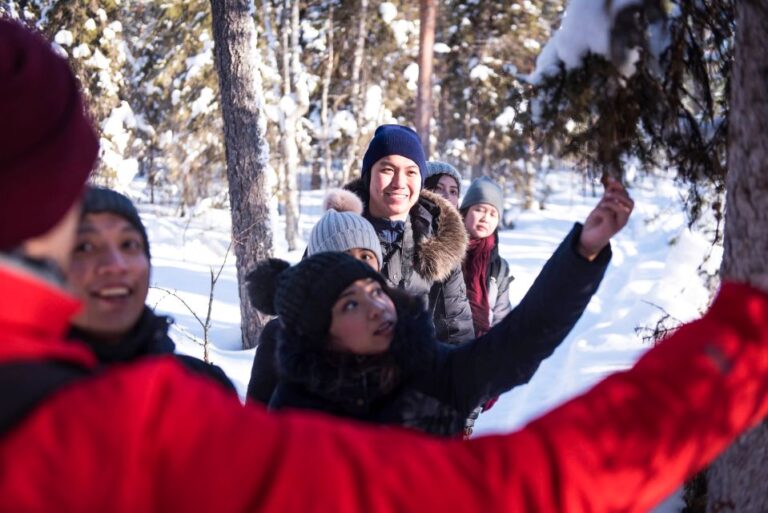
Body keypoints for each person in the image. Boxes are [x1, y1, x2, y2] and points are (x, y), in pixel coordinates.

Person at [4, 19, 768, 513]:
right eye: (88, 241)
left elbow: (495, 347)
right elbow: (514, 486)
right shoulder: (181, 418)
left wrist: (580, 254)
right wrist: (738, 348)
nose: (378, 304)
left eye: (130, 244)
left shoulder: (428, 274)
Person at [248, 229, 609, 435]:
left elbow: (521, 340)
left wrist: (582, 255)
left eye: (375, 291)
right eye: (350, 305)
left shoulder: (433, 370)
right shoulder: (298, 416)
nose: (377, 308)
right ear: (320, 336)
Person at [66, 186, 234, 391]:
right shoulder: (26, 392)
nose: (116, 264)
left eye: (128, 244)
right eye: (86, 247)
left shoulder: (205, 386)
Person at [246, 189, 383, 403]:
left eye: (366, 256)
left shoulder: (393, 328)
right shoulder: (281, 334)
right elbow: (257, 419)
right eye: (342, 256)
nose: (356, 265)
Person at [345, 125, 475, 344]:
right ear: (369, 175)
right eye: (387, 169)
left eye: (411, 172)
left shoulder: (440, 239)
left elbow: (458, 331)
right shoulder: (339, 231)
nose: (399, 183)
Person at [459, 177, 514, 337]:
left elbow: (501, 318)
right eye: (479, 209)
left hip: (480, 349)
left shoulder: (499, 267)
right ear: (465, 211)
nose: (485, 218)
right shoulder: (445, 251)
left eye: (492, 214)